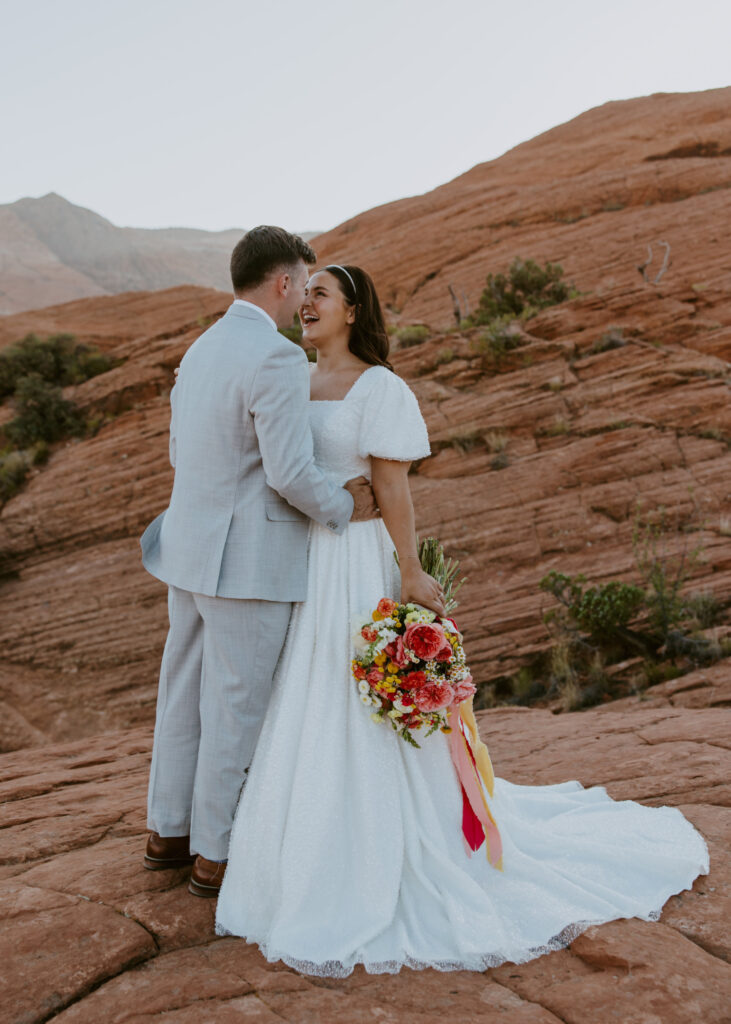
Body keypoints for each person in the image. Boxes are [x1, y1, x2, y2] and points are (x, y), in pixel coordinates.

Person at [214, 263, 708, 975]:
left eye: (320, 294)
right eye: (304, 294)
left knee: (358, 696)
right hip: (303, 566)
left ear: (353, 311)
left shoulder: (379, 387)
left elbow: (391, 487)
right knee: (306, 695)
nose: (306, 306)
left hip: (356, 565)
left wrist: (411, 572)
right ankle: (296, 857)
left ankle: (394, 847)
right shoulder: (290, 380)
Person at [139, 228, 440, 896]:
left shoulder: (202, 347)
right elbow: (286, 473)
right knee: (237, 703)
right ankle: (214, 854)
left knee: (182, 694)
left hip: (186, 549)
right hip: (246, 559)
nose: (306, 295)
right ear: (283, 283)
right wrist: (343, 507)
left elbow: (180, 452)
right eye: (305, 282)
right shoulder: (276, 361)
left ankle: (168, 831)